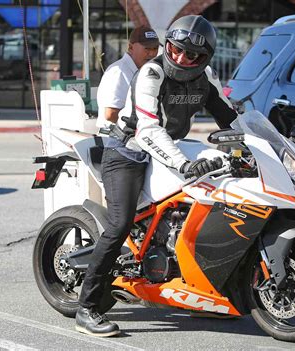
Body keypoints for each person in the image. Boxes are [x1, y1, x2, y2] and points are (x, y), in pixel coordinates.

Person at [76, 15, 238, 337]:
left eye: (191, 55)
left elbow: (231, 118)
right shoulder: (152, 72)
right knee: (120, 223)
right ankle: (87, 308)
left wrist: (261, 147)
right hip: (128, 152)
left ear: (204, 58)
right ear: (168, 46)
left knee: (212, 202)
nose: (181, 58)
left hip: (170, 149)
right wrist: (183, 165)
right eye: (176, 49)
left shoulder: (206, 78)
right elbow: (148, 129)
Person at [96, 26, 159, 128]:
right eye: (147, 48)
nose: (152, 53)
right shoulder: (119, 71)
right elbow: (110, 114)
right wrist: (144, 124)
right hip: (115, 139)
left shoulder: (142, 71)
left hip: (132, 137)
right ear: (130, 47)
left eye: (155, 48)